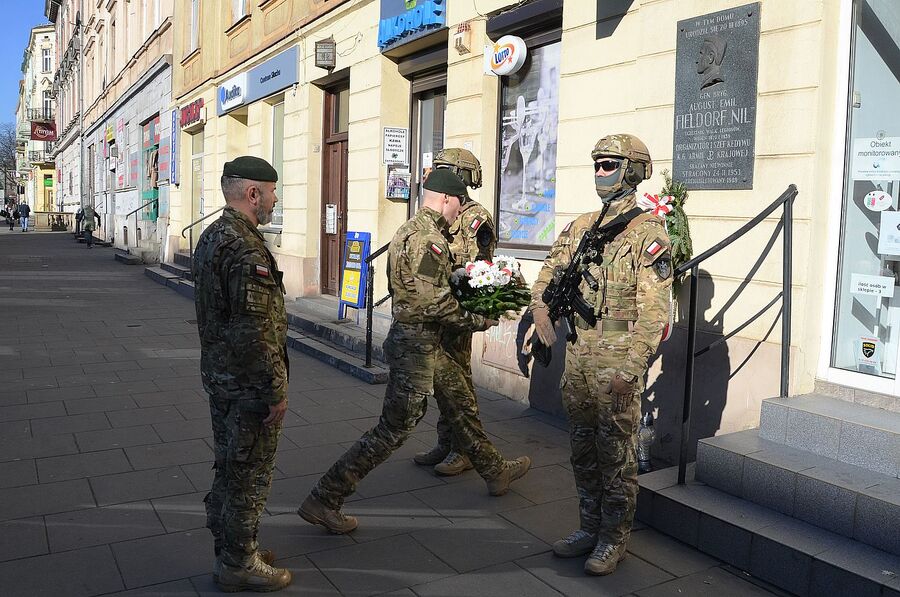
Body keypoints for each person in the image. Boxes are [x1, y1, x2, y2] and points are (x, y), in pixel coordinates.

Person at [299, 169, 531, 534]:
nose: (459, 212)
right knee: (393, 429)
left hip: (424, 342)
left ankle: (494, 470)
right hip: (418, 346)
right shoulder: (428, 239)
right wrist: (479, 319)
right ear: (444, 199)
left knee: (459, 402)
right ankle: (326, 496)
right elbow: (431, 301)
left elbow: (424, 286)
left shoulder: (409, 230)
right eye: (457, 204)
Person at [529, 134, 672, 576]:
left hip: (617, 360)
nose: (599, 173)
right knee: (581, 450)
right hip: (579, 356)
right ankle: (588, 528)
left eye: (609, 164)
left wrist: (631, 372)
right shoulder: (580, 227)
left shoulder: (648, 234)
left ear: (632, 170)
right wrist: (539, 310)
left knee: (617, 455)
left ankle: (614, 539)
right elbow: (547, 276)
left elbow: (654, 314)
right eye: (596, 164)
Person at [191, 156, 292, 592]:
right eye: (271, 192)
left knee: (230, 464)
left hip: (220, 377)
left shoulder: (212, 236)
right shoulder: (247, 249)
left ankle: (233, 543)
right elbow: (254, 331)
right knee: (250, 473)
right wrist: (274, 391)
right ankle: (238, 562)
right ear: (253, 194)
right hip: (248, 386)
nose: (274, 198)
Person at [413, 148, 498, 476]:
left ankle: (464, 450)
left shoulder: (475, 217)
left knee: (458, 380)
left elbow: (483, 265)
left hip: (461, 309)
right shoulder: (440, 209)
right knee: (441, 381)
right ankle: (446, 442)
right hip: (440, 307)